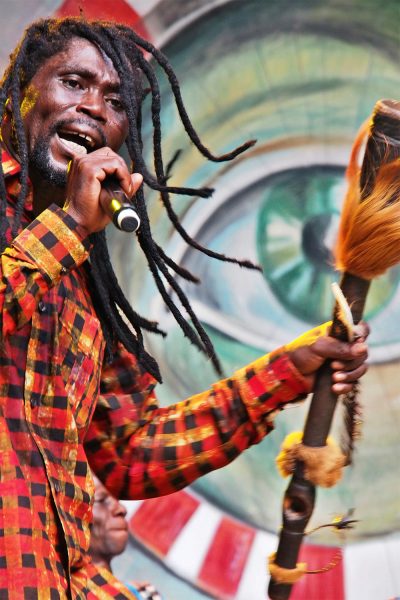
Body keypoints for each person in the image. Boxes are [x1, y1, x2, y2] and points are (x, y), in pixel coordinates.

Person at [0, 17, 368, 599]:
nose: (94, 107)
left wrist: (284, 374)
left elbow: (129, 452)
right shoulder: (63, 238)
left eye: (115, 100)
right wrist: (69, 225)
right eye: (73, 83)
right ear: (19, 91)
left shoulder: (82, 276)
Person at [87, 475, 162, 600]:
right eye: (102, 500)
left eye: (118, 500)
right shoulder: (54, 591)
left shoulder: (145, 595)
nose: (122, 509)